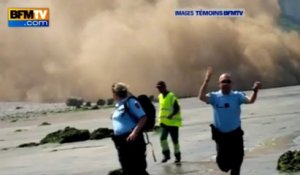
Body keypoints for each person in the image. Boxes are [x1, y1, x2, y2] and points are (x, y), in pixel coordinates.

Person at [198, 67, 261, 175]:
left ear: (232, 84)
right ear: (219, 84)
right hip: (221, 137)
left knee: (238, 161)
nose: (226, 83)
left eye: (228, 81)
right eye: (223, 82)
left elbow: (250, 101)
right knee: (223, 166)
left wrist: (255, 91)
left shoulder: (237, 96)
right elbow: (201, 97)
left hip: (235, 135)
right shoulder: (215, 97)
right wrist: (206, 80)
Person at [110, 82, 149, 175]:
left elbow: (143, 117)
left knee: (138, 169)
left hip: (132, 141)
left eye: (113, 93)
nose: (112, 95)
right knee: (127, 169)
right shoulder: (118, 105)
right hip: (121, 142)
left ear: (116, 93)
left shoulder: (130, 102)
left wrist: (134, 133)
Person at [156, 81, 182, 163]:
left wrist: (171, 115)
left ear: (164, 87)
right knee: (162, 139)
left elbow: (177, 108)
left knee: (175, 141)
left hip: (173, 123)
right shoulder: (160, 96)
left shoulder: (171, 96)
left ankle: (177, 156)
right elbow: (162, 109)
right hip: (164, 123)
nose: (159, 89)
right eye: (158, 88)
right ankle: (166, 155)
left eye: (160, 87)